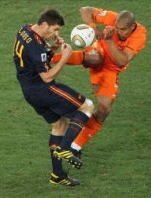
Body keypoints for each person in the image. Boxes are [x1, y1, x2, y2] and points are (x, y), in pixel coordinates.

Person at [13, 9, 94, 187]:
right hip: (43, 89)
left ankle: (57, 175)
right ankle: (65, 148)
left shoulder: (24, 30)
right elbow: (47, 76)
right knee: (87, 106)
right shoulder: (36, 45)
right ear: (44, 24)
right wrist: (64, 57)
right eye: (55, 29)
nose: (56, 33)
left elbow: (36, 59)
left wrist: (52, 49)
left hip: (29, 91)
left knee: (59, 125)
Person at [51, 6, 147, 154]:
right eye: (117, 28)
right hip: (99, 50)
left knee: (104, 109)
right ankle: (50, 58)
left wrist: (109, 40)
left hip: (111, 69)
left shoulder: (140, 35)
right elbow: (84, 10)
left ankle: (75, 146)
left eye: (122, 30)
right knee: (95, 57)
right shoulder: (113, 18)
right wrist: (93, 26)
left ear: (132, 26)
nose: (119, 32)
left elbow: (122, 61)